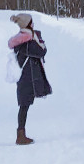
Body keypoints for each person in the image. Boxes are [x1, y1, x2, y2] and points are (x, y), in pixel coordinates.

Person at [8, 11, 51, 144]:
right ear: (28, 24)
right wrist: (37, 38)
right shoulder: (27, 41)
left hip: (25, 77)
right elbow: (42, 51)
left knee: (24, 105)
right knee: (24, 106)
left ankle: (21, 134)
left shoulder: (22, 39)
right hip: (27, 78)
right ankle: (20, 135)